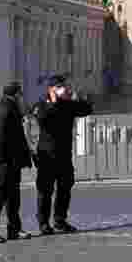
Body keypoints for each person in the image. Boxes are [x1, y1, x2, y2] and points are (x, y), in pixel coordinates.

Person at [31, 73, 93, 235]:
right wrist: (53, 102)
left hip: (64, 155)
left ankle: (60, 220)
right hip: (47, 156)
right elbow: (42, 118)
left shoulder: (68, 105)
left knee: (65, 187)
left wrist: (80, 96)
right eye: (60, 87)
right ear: (51, 89)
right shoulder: (41, 105)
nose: (65, 89)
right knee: (45, 190)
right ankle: (43, 223)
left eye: (65, 86)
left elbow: (87, 109)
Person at [0, 80, 34, 244]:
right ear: (17, 94)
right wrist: (1, 159)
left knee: (13, 196)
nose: (22, 97)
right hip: (5, 160)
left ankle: (14, 229)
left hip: (12, 159)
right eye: (21, 94)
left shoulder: (10, 107)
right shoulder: (4, 109)